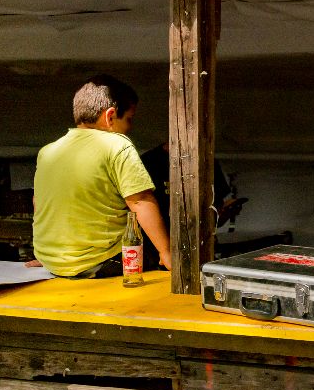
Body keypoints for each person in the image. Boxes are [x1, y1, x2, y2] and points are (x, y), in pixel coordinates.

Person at [29, 75, 171, 278]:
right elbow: (140, 201)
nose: (130, 127)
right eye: (129, 119)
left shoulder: (48, 151)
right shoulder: (117, 145)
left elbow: (39, 203)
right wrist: (166, 252)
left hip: (52, 261)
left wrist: (50, 254)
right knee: (156, 231)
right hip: (100, 263)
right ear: (110, 116)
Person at [140, 142, 247, 266]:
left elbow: (215, 212)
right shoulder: (149, 162)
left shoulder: (207, 162)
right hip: (158, 254)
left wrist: (224, 213)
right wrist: (164, 250)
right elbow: (140, 206)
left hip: (201, 248)